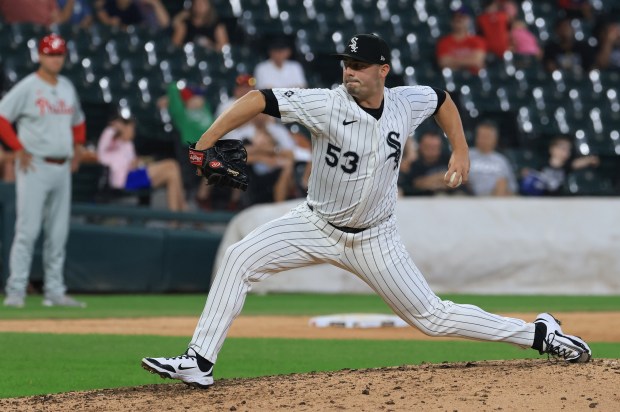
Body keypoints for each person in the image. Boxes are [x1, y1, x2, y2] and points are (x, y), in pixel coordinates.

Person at [140, 33, 591, 388]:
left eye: (358, 65)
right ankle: (199, 361)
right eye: (346, 64)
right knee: (240, 258)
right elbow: (258, 99)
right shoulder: (326, 103)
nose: (349, 72)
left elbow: (441, 99)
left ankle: (538, 334)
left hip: (376, 238)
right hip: (314, 223)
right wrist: (204, 144)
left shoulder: (403, 101)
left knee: (432, 318)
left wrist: (461, 151)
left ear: (383, 70)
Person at [0, 34, 86, 308]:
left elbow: (78, 121)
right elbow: (2, 117)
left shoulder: (67, 87)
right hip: (34, 164)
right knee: (27, 230)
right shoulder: (27, 87)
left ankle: (55, 291)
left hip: (62, 167)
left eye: (59, 53)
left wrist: (79, 146)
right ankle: (15, 291)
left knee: (58, 233)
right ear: (40, 56)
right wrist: (16, 148)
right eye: (50, 53)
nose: (55, 58)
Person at [96, 115, 188, 211]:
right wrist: (119, 126)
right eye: (131, 128)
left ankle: (175, 219)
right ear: (124, 127)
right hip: (124, 180)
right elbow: (106, 144)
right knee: (171, 164)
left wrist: (137, 162)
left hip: (134, 176)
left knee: (172, 173)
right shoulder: (111, 137)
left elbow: (132, 163)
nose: (133, 132)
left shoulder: (128, 144)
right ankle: (183, 210)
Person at [520, 135, 600, 196]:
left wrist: (590, 159)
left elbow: (578, 163)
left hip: (560, 198)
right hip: (544, 198)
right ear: (552, 149)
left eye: (568, 149)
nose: (566, 152)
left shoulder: (567, 166)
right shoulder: (543, 165)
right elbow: (532, 174)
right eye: (563, 149)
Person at [468, 121, 517, 196]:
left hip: (495, 199)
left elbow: (512, 188)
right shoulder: (466, 155)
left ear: (495, 139)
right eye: (482, 136)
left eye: (487, 137)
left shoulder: (501, 160)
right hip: (468, 198)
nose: (484, 140)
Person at [436, 7, 487, 74]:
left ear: (468, 20)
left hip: (474, 78)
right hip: (452, 77)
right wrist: (469, 61)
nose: (459, 19)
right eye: (455, 17)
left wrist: (452, 61)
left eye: (462, 17)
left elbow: (477, 61)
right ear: (451, 21)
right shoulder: (444, 42)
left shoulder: (478, 40)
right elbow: (443, 62)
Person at [401, 131, 452, 196]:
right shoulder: (413, 164)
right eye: (428, 147)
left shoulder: (448, 159)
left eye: (435, 148)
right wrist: (440, 178)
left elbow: (459, 180)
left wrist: (428, 181)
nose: (432, 152)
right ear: (421, 146)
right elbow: (413, 184)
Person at [95, 0, 169, 30]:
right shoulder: (110, 4)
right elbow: (101, 11)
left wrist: (156, 3)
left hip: (147, 35)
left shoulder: (149, 4)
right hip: (122, 35)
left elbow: (166, 24)